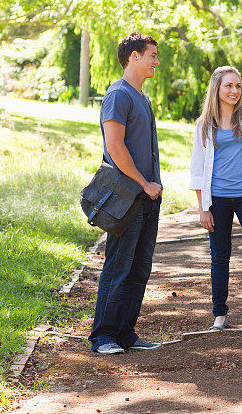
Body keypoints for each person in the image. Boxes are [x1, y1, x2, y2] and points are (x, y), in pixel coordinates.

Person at [88, 32, 164, 355]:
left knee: (139, 267)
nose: (156, 62)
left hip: (148, 199)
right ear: (134, 56)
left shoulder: (142, 97)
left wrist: (153, 189)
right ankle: (103, 336)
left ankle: (125, 332)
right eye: (152, 55)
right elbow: (114, 147)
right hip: (127, 198)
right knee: (118, 266)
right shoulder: (118, 95)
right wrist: (143, 184)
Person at [189, 66, 242, 334]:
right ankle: (219, 314)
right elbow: (197, 168)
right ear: (217, 89)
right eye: (228, 86)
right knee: (219, 256)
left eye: (238, 86)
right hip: (218, 199)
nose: (234, 91)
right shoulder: (204, 125)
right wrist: (204, 208)